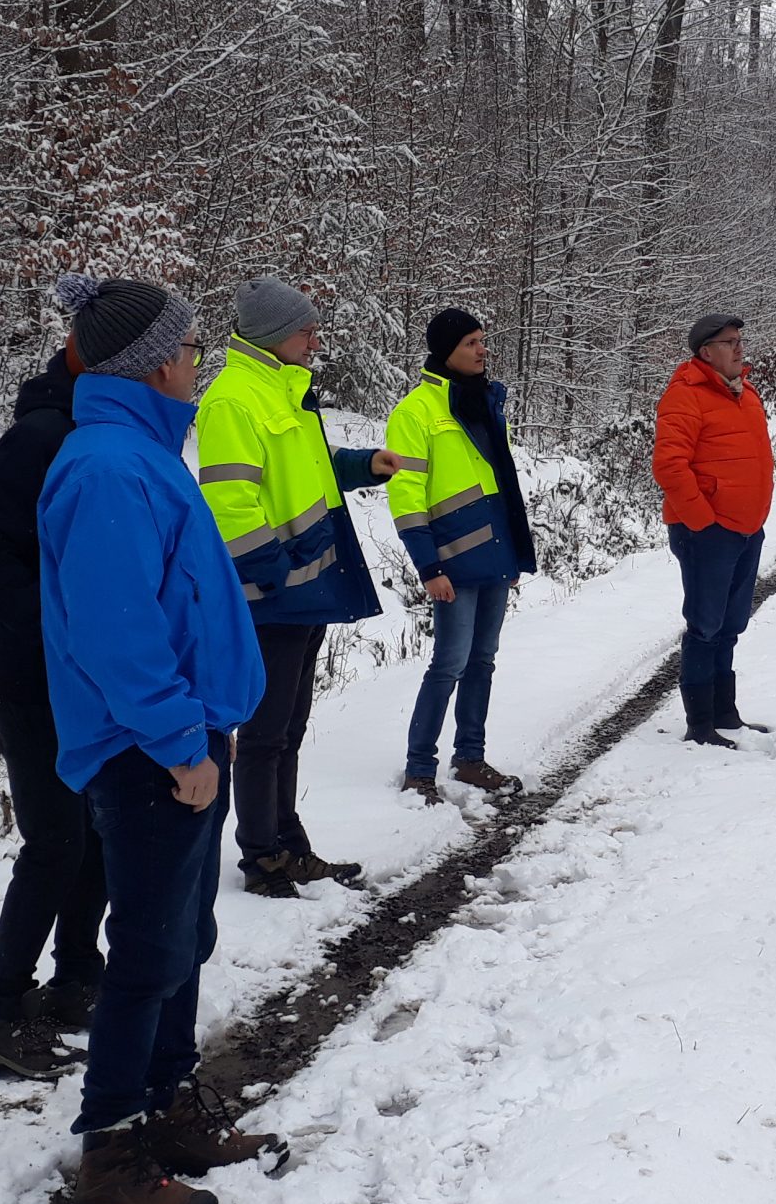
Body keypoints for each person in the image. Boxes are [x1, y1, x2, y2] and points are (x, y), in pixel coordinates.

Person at [38, 275, 284, 1204]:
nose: (198, 360)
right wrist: (181, 743)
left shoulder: (141, 453)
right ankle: (113, 1151)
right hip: (149, 750)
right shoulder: (107, 467)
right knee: (145, 954)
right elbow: (117, 631)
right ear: (155, 362)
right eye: (185, 345)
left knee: (184, 939)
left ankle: (169, 1107)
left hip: (180, 736)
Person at [197, 279, 402, 897]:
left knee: (289, 725)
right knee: (263, 734)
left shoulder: (284, 392)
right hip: (274, 595)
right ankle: (262, 858)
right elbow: (229, 502)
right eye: (306, 330)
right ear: (272, 334)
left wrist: (364, 465)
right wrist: (274, 572)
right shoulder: (234, 399)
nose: (316, 340)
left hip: (305, 587)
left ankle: (290, 846)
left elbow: (305, 469)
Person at [0, 283, 106, 1081]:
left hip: (93, 675)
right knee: (57, 840)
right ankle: (3, 1009)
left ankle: (79, 976)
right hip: (32, 678)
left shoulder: (103, 431)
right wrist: (59, 626)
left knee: (98, 834)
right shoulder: (44, 433)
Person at [386, 308, 536, 802]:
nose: (482, 349)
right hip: (451, 560)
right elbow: (406, 497)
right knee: (448, 663)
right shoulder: (416, 412)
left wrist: (513, 554)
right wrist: (428, 566)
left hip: (494, 557)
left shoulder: (487, 402)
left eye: (482, 340)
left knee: (483, 661)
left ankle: (470, 757)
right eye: (472, 342)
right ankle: (419, 769)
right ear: (447, 349)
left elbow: (505, 484)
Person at [652, 313, 776, 747]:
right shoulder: (685, 396)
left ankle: (726, 714)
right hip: (708, 532)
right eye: (730, 342)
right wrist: (703, 522)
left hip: (746, 529)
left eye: (740, 339)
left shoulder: (746, 394)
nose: (740, 348)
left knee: (730, 624)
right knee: (705, 626)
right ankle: (701, 724)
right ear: (707, 352)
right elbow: (669, 466)